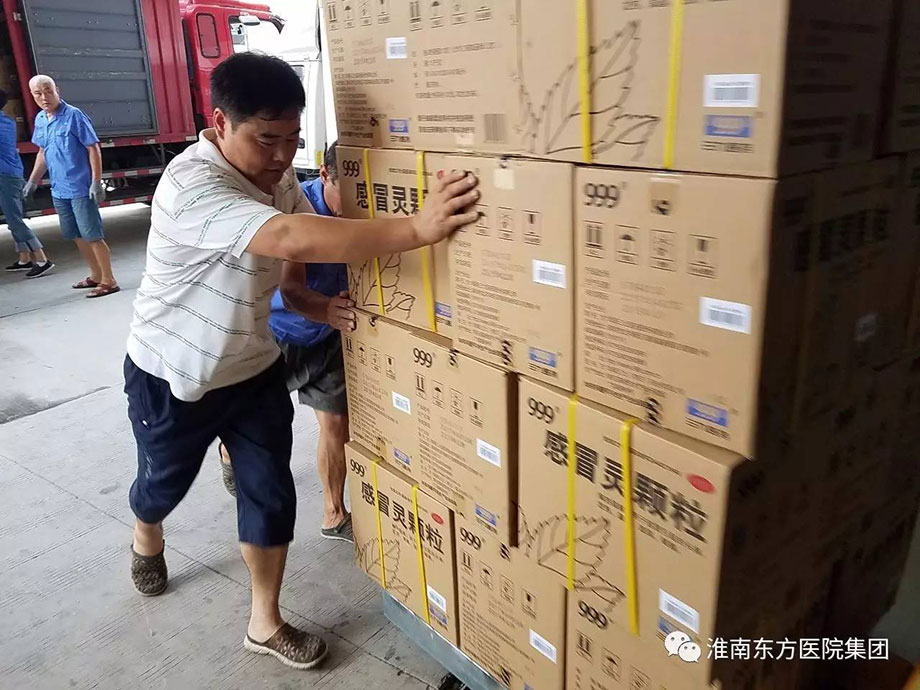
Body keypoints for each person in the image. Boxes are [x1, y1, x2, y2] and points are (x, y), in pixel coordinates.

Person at [125, 52, 478, 670]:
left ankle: (264, 620)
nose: (283, 155)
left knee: (270, 494)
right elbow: (289, 235)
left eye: (292, 139)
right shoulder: (191, 187)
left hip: (254, 366)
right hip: (175, 373)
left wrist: (310, 298)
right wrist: (416, 229)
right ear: (219, 123)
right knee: (162, 486)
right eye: (267, 140)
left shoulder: (278, 175)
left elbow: (297, 246)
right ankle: (146, 530)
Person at [218, 140, 355, 543]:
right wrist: (326, 308)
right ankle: (229, 453)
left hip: (327, 331)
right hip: (276, 332)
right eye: (347, 190)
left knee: (336, 422)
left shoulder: (363, 214)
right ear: (325, 175)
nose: (356, 204)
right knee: (257, 425)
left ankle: (334, 512)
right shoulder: (295, 211)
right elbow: (291, 292)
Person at [24, 75, 118, 297]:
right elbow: (43, 152)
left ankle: (109, 280)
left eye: (48, 91)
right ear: (32, 95)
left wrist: (96, 181)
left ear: (57, 90)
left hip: (80, 188)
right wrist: (32, 180)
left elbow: (93, 148)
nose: (44, 97)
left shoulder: (74, 116)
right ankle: (95, 275)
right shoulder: (41, 119)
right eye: (38, 93)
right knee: (76, 235)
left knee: (92, 235)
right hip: (59, 189)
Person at [0, 88, 53, 277]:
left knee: (14, 220)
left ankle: (42, 259)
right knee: (13, 217)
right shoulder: (7, 121)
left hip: (5, 177)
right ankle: (24, 258)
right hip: (11, 174)